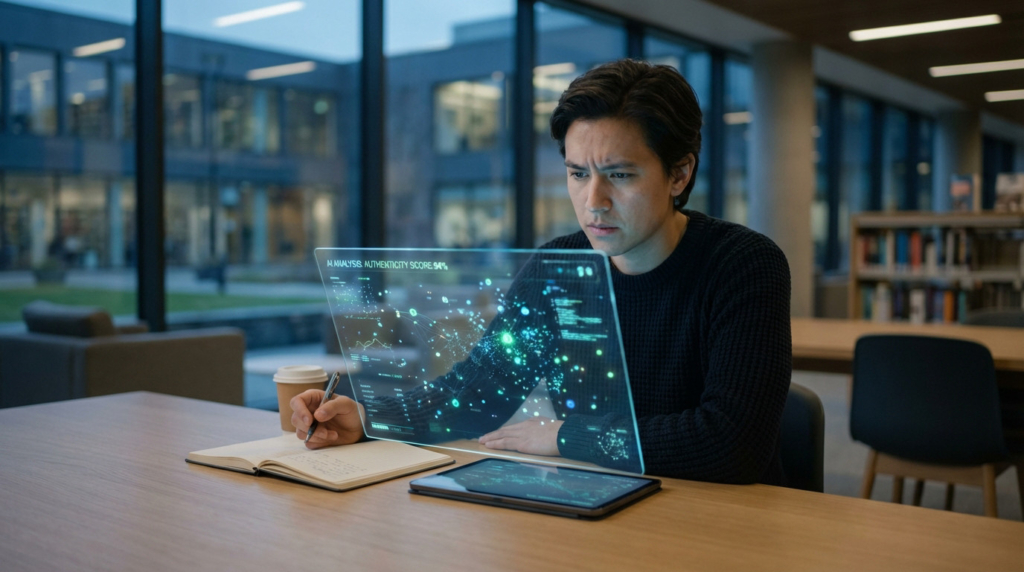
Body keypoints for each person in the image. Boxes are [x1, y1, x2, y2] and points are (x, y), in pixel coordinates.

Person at [292, 59, 792, 485]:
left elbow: (732, 442)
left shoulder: (743, 265)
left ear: (680, 173)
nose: (593, 202)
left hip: (721, 517)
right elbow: (479, 392)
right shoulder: (558, 268)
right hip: (596, 498)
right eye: (578, 174)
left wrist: (563, 435)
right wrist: (368, 416)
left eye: (619, 174)